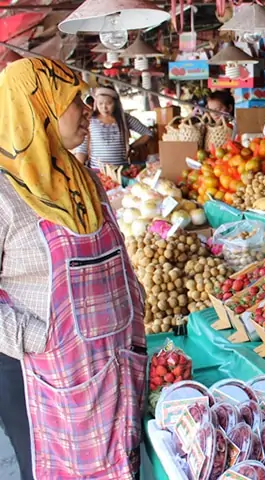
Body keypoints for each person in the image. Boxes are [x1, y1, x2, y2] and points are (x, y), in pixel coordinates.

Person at [0, 58, 146, 479]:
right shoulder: (5, 193)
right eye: (73, 101)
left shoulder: (83, 178)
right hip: (47, 375)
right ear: (38, 108)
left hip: (112, 366)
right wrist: (38, 337)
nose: (87, 110)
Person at [74, 86, 152, 170]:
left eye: (109, 103)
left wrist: (131, 146)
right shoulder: (90, 120)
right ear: (95, 103)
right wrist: (78, 169)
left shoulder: (124, 119)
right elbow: (82, 148)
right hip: (97, 171)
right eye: (100, 103)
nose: (104, 107)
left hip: (121, 171)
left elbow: (148, 133)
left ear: (115, 103)